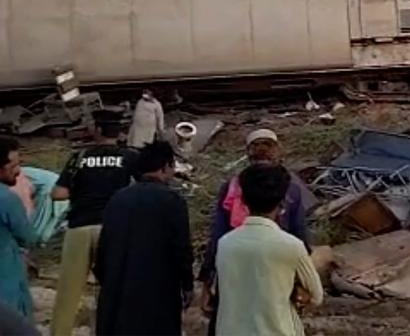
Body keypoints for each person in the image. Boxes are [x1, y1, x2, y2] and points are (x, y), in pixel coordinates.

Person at [199, 128, 308, 333]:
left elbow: (218, 236)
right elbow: (300, 235)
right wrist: (301, 281)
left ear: (248, 154)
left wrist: (208, 282)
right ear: (277, 152)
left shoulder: (233, 186)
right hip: (278, 273)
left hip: (235, 271)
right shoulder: (290, 187)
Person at [50, 110, 138, 336]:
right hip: (112, 230)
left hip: (79, 228)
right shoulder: (129, 158)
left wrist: (82, 193)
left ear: (97, 130)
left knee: (68, 293)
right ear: (119, 132)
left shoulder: (80, 157)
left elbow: (58, 193)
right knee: (112, 290)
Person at [94, 141, 193, 336]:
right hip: (158, 293)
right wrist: (187, 285)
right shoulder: (172, 201)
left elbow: (103, 247)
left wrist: (107, 280)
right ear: (166, 166)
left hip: (119, 291)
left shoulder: (118, 199)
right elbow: (181, 249)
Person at [215, 164, 322, 336]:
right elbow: (316, 296)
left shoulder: (225, 244)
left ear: (242, 201)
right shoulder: (292, 245)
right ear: (282, 204)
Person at [1, 137, 36, 323]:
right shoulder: (7, 199)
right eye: (13, 165)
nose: (18, 171)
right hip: (6, 278)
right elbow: (28, 235)